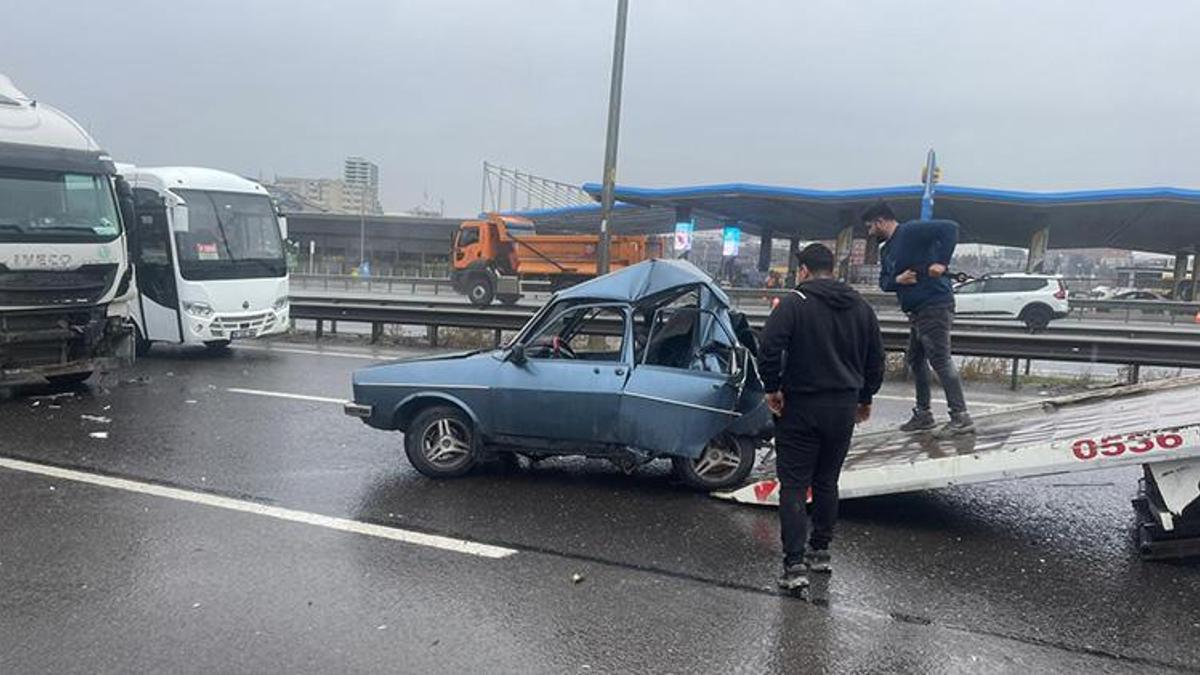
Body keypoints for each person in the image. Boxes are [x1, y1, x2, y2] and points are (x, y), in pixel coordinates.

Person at [758, 243, 884, 592]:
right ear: (833, 269)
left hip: (800, 406)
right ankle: (821, 552)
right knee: (828, 481)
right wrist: (865, 396)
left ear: (803, 270)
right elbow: (876, 358)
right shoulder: (861, 306)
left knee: (795, 484)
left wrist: (772, 388)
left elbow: (768, 346)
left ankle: (793, 564)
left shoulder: (795, 303)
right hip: (842, 407)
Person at [862, 200, 974, 436]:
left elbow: (950, 228)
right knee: (915, 358)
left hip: (934, 304)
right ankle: (923, 414)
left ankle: (960, 416)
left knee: (940, 360)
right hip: (916, 311)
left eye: (871, 227)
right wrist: (898, 280)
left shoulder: (910, 231)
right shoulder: (887, 250)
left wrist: (941, 262)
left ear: (881, 221)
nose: (870, 232)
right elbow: (884, 283)